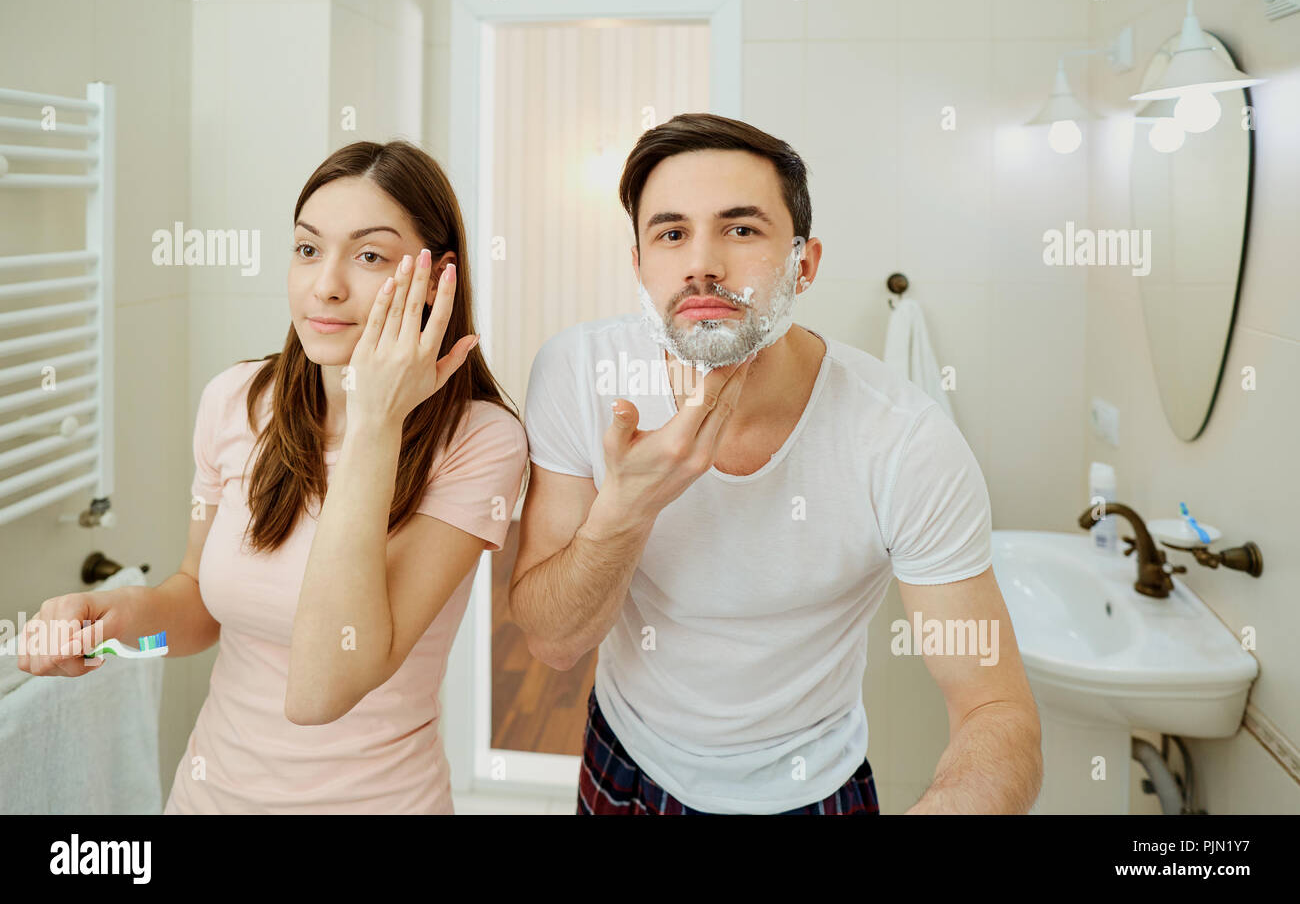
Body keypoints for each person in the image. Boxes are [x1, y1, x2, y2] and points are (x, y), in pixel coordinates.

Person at [508, 113, 1042, 815]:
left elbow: (996, 708)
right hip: (628, 756)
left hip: (813, 783)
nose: (702, 262)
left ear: (804, 263)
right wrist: (627, 508)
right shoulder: (578, 373)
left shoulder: (903, 439)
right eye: (671, 233)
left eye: (740, 229)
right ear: (639, 267)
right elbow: (552, 640)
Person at [18, 140, 528, 814]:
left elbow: (322, 686)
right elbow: (198, 606)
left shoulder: (480, 442)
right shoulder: (236, 402)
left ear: (438, 281)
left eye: (370, 255)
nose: (326, 285)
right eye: (308, 249)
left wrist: (374, 420)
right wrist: (111, 627)